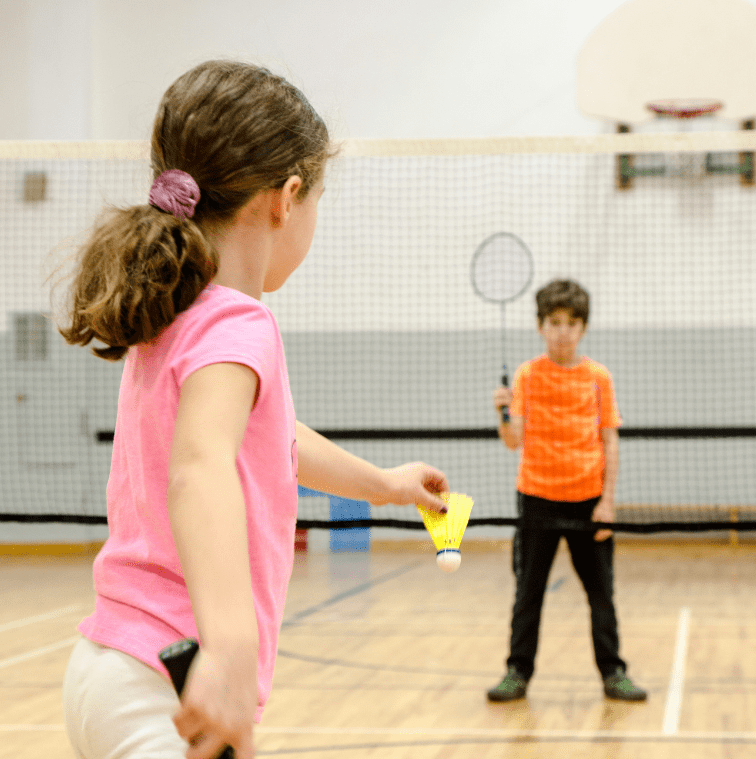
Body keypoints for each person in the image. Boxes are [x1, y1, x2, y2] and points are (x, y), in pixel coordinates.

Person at [58, 60, 450, 759]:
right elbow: (201, 470)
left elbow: (271, 445)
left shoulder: (174, 315)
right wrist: (231, 648)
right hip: (173, 679)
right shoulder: (239, 324)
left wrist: (385, 485)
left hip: (108, 668)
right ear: (286, 199)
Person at [486, 279, 646, 703]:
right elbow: (513, 440)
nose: (562, 331)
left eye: (571, 323)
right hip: (536, 500)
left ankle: (613, 672)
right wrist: (502, 411)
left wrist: (608, 501)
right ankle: (517, 672)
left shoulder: (598, 378)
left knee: (601, 595)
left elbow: (610, 439)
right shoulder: (527, 375)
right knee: (528, 592)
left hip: (589, 502)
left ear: (583, 329)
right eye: (554, 322)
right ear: (540, 326)